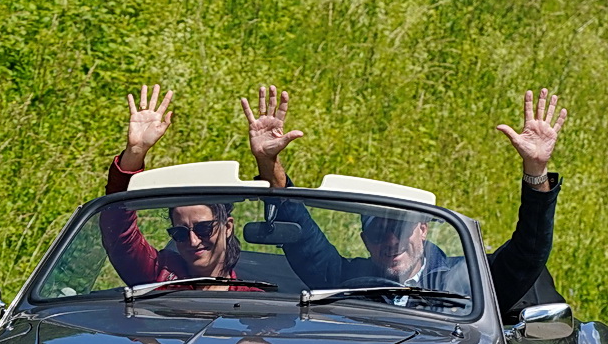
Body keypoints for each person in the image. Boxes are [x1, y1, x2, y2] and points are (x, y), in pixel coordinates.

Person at [241, 85, 568, 319]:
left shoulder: (466, 280)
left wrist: (536, 170)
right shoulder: (344, 278)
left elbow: (529, 251)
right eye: (379, 232)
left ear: (423, 230)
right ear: (365, 240)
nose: (391, 241)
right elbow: (303, 237)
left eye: (400, 229)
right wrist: (269, 165)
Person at [98, 85, 264, 291]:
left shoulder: (253, 301)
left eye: (204, 228)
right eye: (180, 233)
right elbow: (118, 230)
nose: (193, 241)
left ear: (228, 226)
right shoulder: (157, 274)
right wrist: (135, 151)